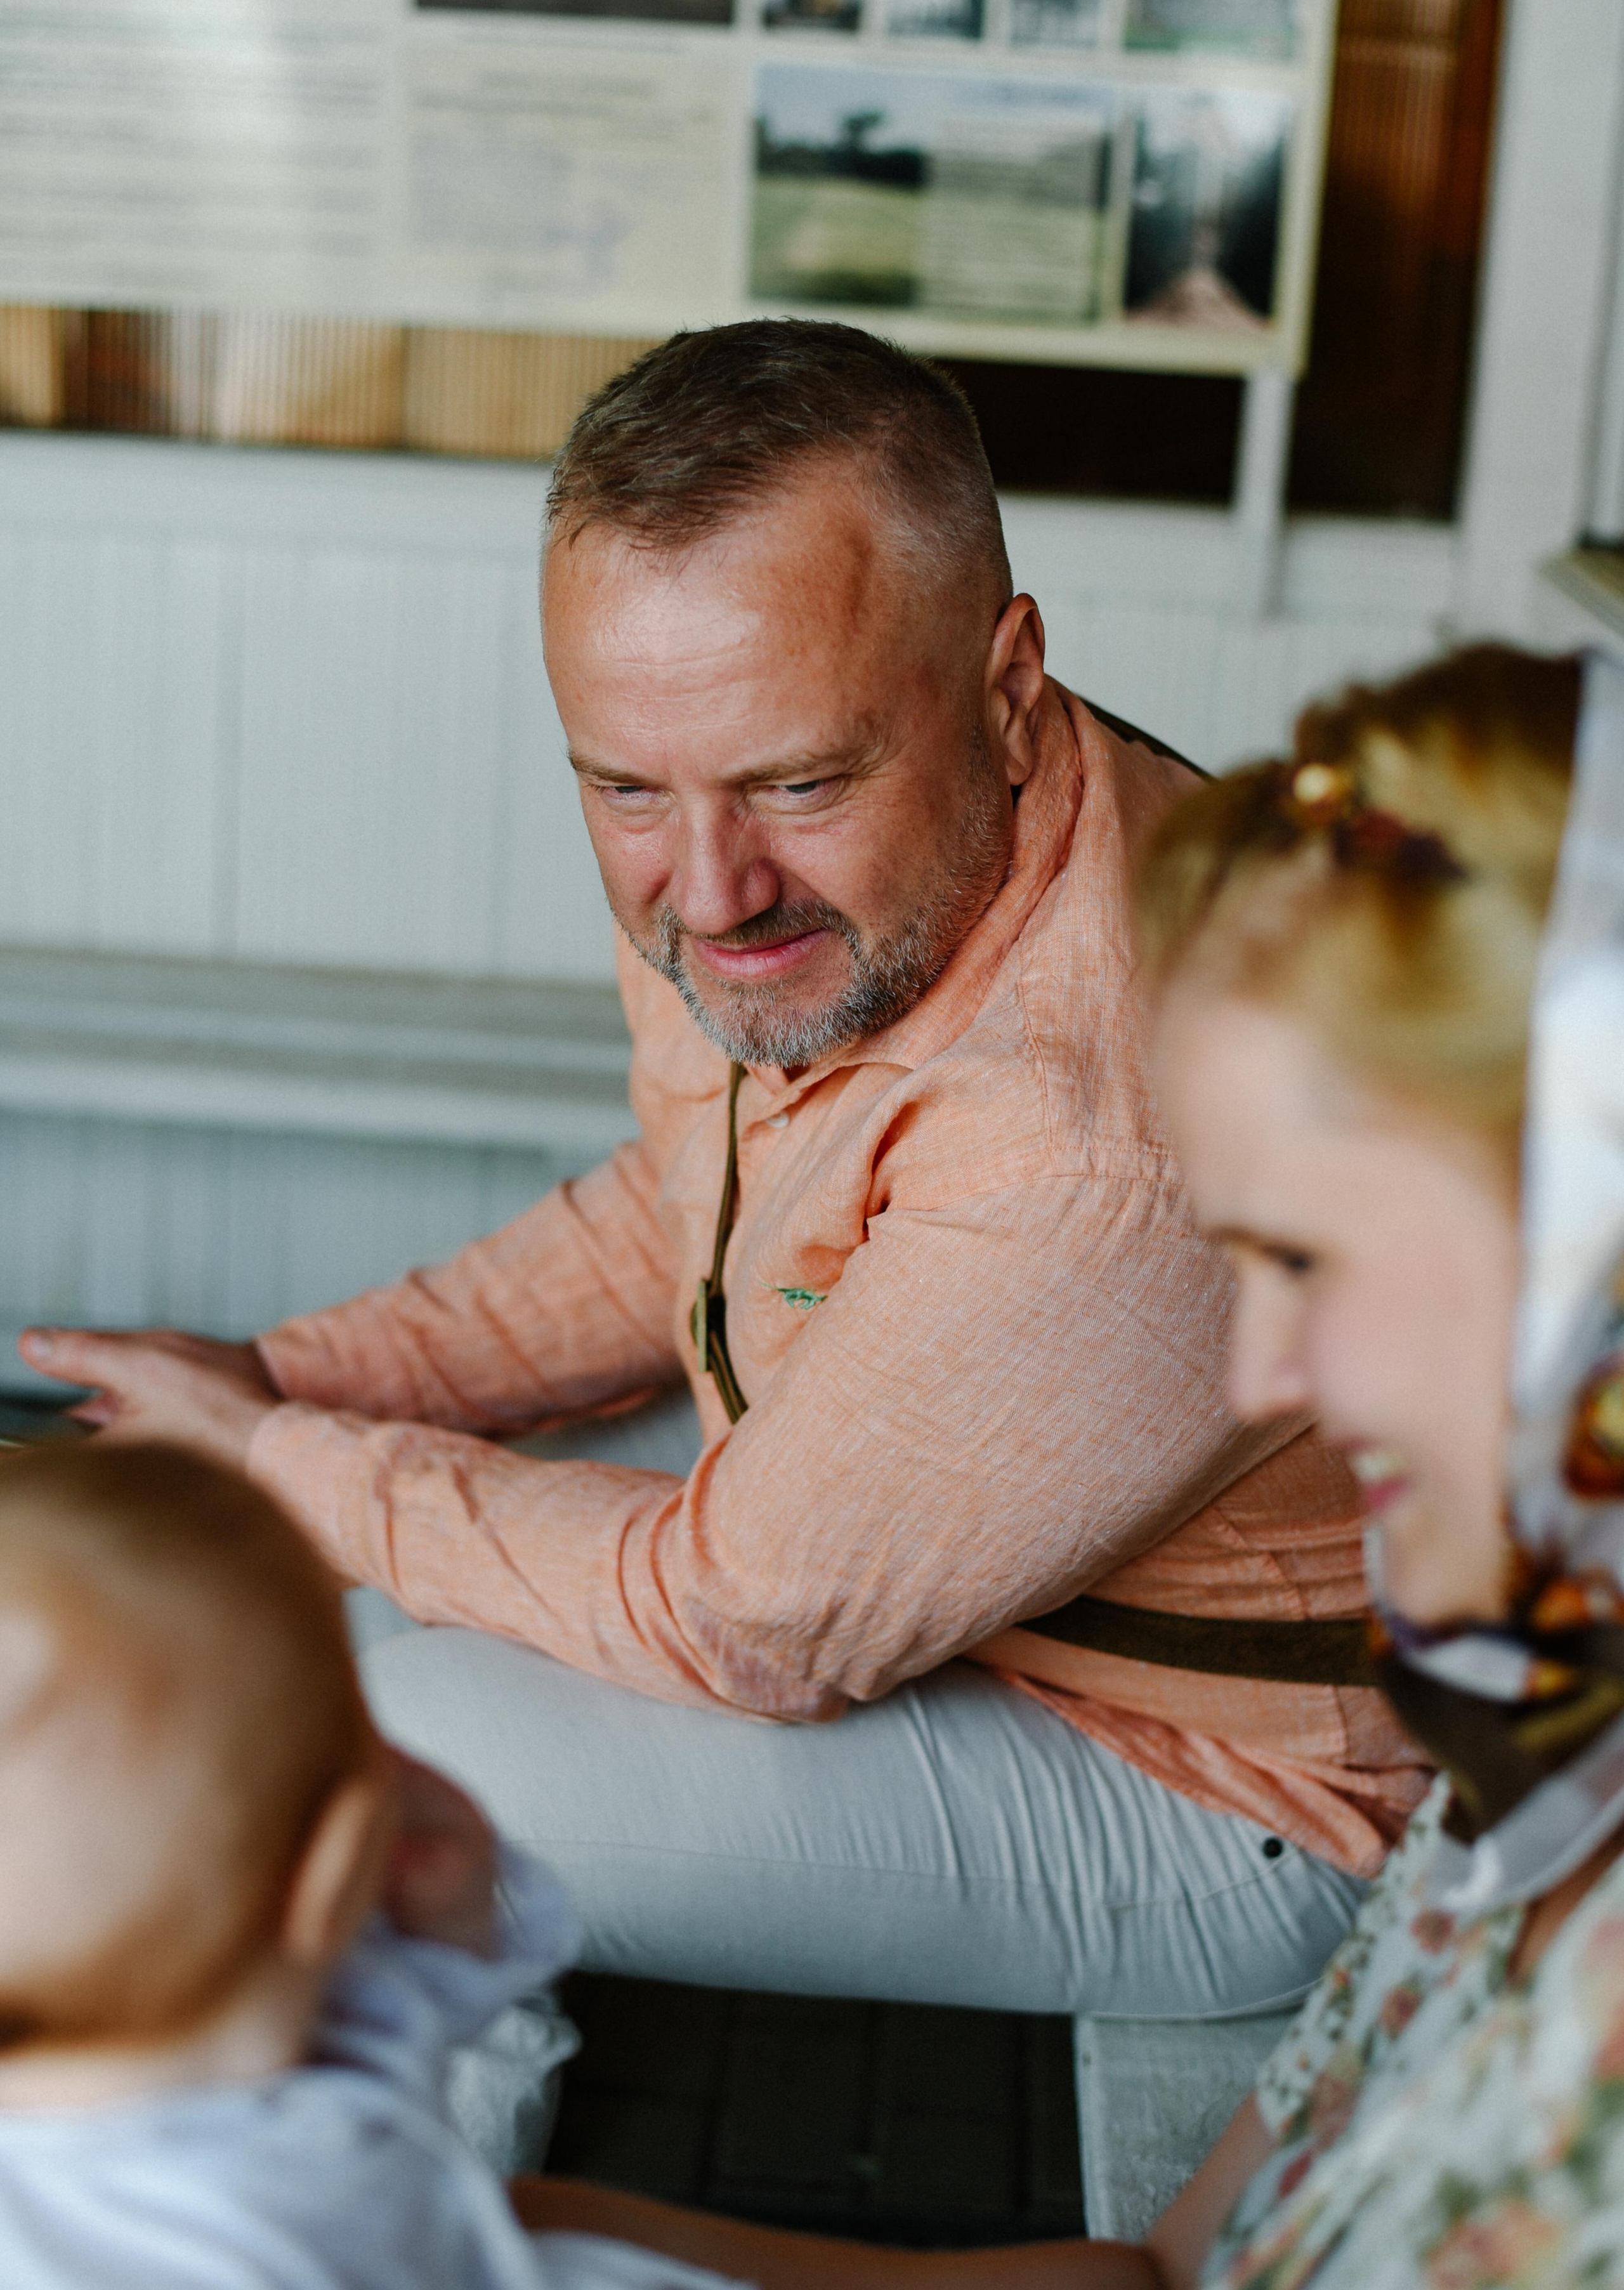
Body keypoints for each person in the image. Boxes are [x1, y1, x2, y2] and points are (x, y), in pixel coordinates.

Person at [18, 322, 1421, 2021]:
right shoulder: (814, 870)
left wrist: (280, 1460)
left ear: (1007, 685)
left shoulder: (1102, 1130)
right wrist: (285, 1386)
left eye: (799, 782)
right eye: (622, 786)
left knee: (368, 1744)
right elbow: (680, 1217)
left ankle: (413, 2219)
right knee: (315, 1603)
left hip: (1217, 1795)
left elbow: (745, 1619)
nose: (707, 892)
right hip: (929, 1544)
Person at [511, 641, 1624, 2287]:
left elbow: (744, 1610)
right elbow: (1165, 2273)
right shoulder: (1536, 1774)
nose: (1267, 1371)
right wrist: (502, 2236)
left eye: (1327, 1264)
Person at [0, 1436, 749, 2290]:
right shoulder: (292, 2226)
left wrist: (436, 1914)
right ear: (335, 1868)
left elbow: (389, 2024)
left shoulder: (204, 2036)